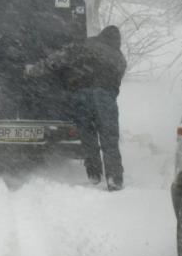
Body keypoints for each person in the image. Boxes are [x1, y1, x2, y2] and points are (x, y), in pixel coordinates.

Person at [26, 25, 127, 191]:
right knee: (109, 138)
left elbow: (57, 59)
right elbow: (116, 81)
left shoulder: (85, 45)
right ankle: (114, 178)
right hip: (105, 98)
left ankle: (94, 173)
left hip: (81, 95)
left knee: (88, 135)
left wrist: (33, 70)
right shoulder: (120, 58)